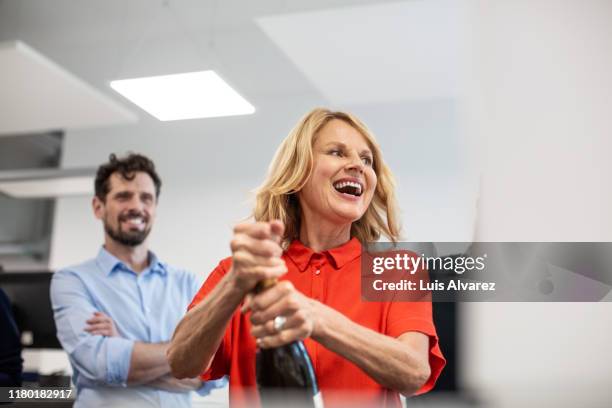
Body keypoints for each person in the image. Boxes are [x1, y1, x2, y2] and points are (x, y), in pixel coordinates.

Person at [167, 108, 446, 407]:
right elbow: (181, 363)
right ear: (298, 172)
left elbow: (414, 371)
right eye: (337, 152)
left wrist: (318, 319)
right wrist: (235, 283)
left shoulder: (396, 270)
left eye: (367, 160)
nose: (357, 166)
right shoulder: (239, 273)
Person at [50, 153, 225, 408]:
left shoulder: (186, 283)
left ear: (154, 208)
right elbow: (99, 365)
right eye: (123, 196)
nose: (136, 206)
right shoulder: (72, 281)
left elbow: (214, 371)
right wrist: (186, 353)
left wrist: (125, 347)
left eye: (146, 198)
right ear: (98, 207)